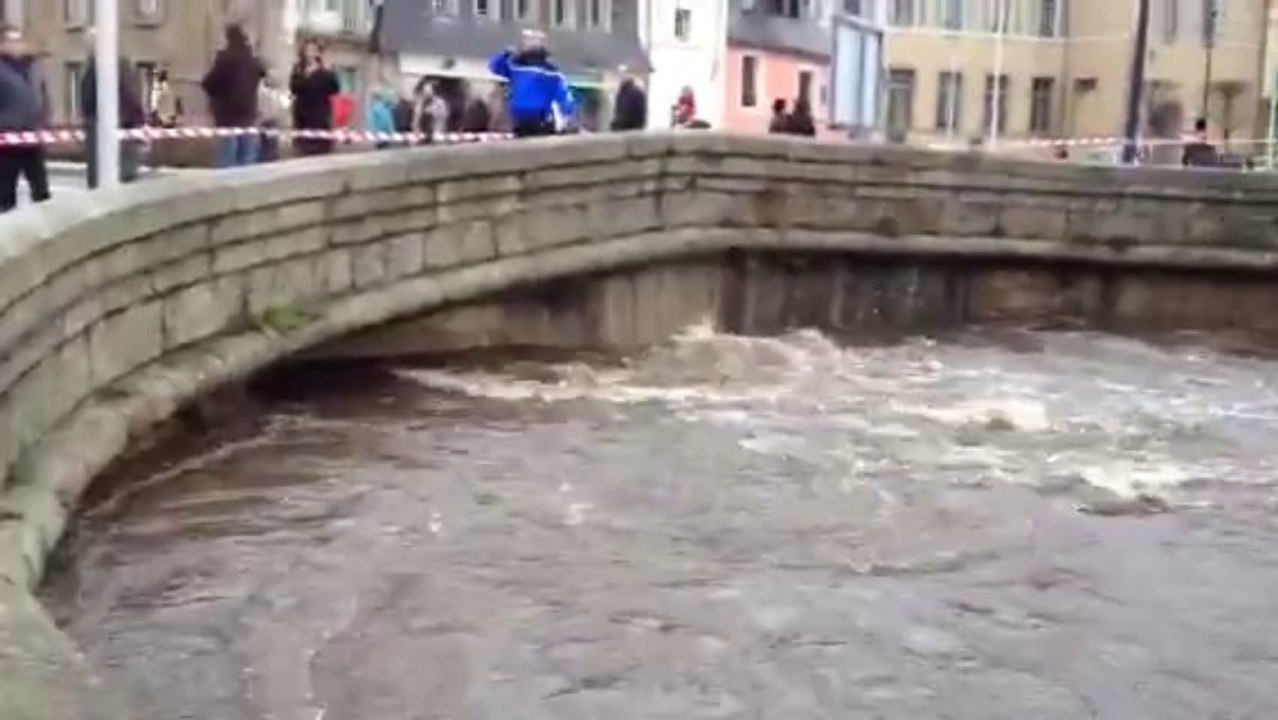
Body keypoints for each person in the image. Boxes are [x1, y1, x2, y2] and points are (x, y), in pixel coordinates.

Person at [487, 33, 576, 138]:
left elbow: (494, 66)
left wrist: (507, 54)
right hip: (538, 115)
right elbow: (564, 96)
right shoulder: (551, 72)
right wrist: (568, 114)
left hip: (521, 114)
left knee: (523, 141)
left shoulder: (516, 67)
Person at [0, 27, 50, 212]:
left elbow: (43, 97)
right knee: (5, 192)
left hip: (33, 138)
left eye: (19, 41)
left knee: (41, 190)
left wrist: (44, 123)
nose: (16, 46)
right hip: (7, 141)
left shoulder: (34, 67)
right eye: (10, 41)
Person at [202, 24, 266, 167]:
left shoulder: (225, 59)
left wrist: (218, 96)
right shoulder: (253, 61)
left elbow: (208, 83)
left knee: (227, 157)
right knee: (247, 158)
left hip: (227, 116)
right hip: (248, 113)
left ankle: (226, 186)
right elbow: (262, 75)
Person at [81, 52, 147, 188]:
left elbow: (87, 101)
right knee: (124, 177)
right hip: (124, 128)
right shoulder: (126, 67)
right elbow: (135, 100)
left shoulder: (98, 67)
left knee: (102, 177)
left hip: (109, 129)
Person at [288, 39, 340, 156]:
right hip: (302, 119)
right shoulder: (298, 69)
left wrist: (330, 71)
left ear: (318, 53)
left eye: (313, 50)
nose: (309, 53)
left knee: (318, 155)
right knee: (301, 153)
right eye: (307, 50)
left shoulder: (325, 72)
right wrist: (306, 75)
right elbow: (293, 88)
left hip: (319, 119)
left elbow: (335, 89)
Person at [256, 74, 289, 162]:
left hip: (269, 121)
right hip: (266, 121)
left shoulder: (270, 92)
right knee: (268, 145)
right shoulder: (263, 91)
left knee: (269, 145)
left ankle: (269, 159)